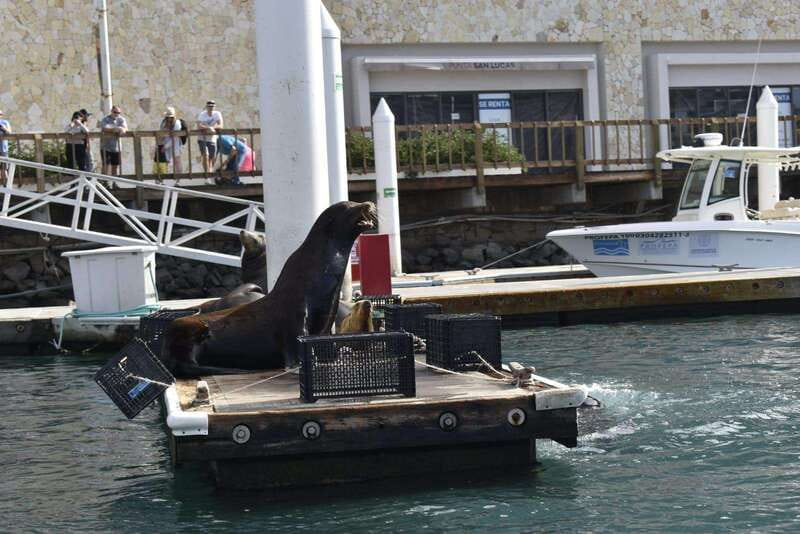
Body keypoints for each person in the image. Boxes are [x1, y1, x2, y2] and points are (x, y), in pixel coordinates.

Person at [196, 100, 222, 177]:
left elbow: (221, 125)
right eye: (209, 106)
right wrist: (209, 128)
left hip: (212, 139)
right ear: (206, 107)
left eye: (212, 106)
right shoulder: (202, 114)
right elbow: (199, 125)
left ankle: (209, 172)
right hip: (202, 138)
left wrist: (212, 128)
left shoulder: (217, 114)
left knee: (212, 157)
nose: (211, 108)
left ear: (214, 107)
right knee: (205, 155)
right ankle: (207, 174)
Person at [156, 106, 183, 178]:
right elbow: (161, 133)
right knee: (166, 162)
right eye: (168, 117)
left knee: (177, 161)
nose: (169, 119)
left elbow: (175, 137)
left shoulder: (177, 123)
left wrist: (165, 146)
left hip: (175, 144)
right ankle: (164, 180)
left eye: (171, 117)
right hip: (165, 142)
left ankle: (178, 180)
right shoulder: (163, 122)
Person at [100, 105, 127, 175]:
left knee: (115, 166)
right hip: (106, 147)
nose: (117, 114)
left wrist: (121, 130)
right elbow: (104, 127)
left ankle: (114, 181)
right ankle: (104, 181)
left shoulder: (121, 119)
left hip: (117, 147)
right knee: (105, 166)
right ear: (111, 111)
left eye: (119, 113)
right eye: (115, 112)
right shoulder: (105, 119)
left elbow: (125, 128)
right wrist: (114, 129)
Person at [0, 110, 11, 182]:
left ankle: (6, 185)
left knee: (5, 168)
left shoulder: (5, 122)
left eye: (0, 114)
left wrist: (3, 128)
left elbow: (9, 133)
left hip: (3, 148)